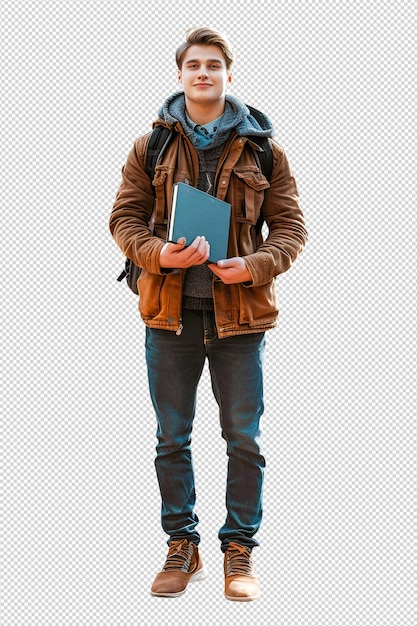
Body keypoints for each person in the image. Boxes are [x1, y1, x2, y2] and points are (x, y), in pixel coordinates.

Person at [109, 27, 307, 601]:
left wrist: (255, 265)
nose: (203, 73)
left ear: (227, 74)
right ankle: (182, 545)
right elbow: (124, 219)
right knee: (172, 437)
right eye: (193, 64)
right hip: (168, 317)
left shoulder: (265, 148)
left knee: (243, 439)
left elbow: (292, 229)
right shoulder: (149, 147)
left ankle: (238, 551)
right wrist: (156, 253)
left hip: (239, 322)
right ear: (179, 75)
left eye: (213, 64)